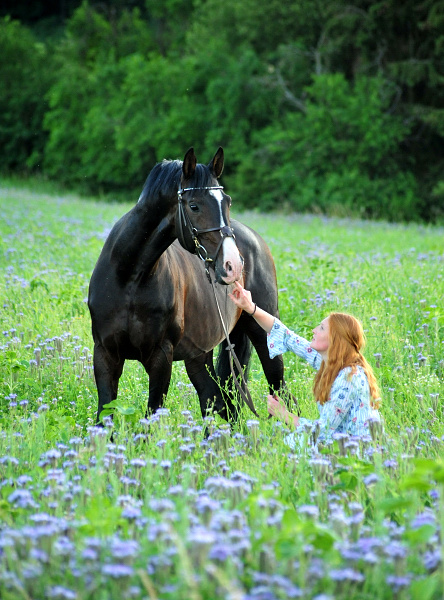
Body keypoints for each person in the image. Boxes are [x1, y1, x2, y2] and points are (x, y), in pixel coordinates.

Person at [228, 281, 381, 447]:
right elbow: (287, 336)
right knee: (288, 445)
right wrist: (251, 307)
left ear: (335, 341)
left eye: (322, 328)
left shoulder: (349, 377)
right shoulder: (331, 363)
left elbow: (322, 430)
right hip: (340, 443)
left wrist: (284, 414)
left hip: (356, 454)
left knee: (288, 447)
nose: (314, 330)